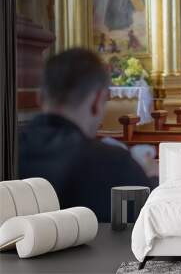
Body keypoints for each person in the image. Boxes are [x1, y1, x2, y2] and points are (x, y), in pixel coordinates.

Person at [18, 48, 157, 222]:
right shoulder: (115, 164)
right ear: (97, 101)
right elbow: (149, 226)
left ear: (39, 98)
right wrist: (148, 177)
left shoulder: (9, 152)